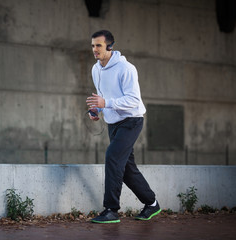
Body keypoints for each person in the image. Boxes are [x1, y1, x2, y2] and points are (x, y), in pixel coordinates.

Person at [86, 30, 161, 223]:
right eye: (93, 45)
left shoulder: (126, 68)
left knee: (112, 156)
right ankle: (152, 203)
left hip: (131, 121)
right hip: (113, 124)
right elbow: (103, 98)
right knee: (126, 169)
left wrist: (106, 104)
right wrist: (97, 110)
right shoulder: (95, 70)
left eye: (99, 45)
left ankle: (111, 209)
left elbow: (133, 100)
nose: (95, 49)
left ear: (110, 47)